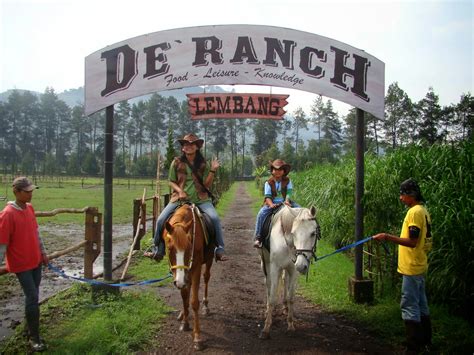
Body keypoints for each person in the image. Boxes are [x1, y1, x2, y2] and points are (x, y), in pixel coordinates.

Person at [373, 178, 433, 354]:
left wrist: (386, 236)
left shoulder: (414, 212)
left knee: (409, 304)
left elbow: (413, 241)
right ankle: (425, 341)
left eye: (403, 194)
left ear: (411, 195)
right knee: (421, 304)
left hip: (412, 267)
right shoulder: (423, 210)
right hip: (420, 265)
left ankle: (413, 347)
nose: (400, 198)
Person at [147, 133, 227, 262]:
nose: (188, 146)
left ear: (197, 147)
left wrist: (212, 170)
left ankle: (219, 248)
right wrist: (179, 191)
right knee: (161, 219)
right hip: (179, 199)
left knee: (215, 218)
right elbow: (171, 181)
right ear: (182, 148)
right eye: (186, 144)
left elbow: (206, 184)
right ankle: (157, 248)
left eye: (192, 144)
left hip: (201, 199)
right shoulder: (176, 162)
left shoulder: (203, 164)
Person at [0, 177, 49, 352]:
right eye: (26, 191)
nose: (30, 194)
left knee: (34, 296)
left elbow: (36, 232)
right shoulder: (7, 214)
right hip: (21, 263)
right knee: (32, 297)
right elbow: (2, 243)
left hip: (35, 259)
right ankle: (34, 338)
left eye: (31, 191)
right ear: (16, 192)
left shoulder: (29, 208)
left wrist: (43, 252)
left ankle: (30, 330)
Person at [253, 159, 300, 248]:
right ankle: (258, 237)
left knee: (301, 210)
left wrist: (287, 201)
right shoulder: (268, 182)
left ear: (284, 171)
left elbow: (289, 193)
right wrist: (271, 205)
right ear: (272, 171)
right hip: (273, 202)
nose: (278, 171)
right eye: (275, 169)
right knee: (261, 214)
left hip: (285, 201)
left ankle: (301, 234)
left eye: (280, 169)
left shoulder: (288, 181)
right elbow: (267, 196)